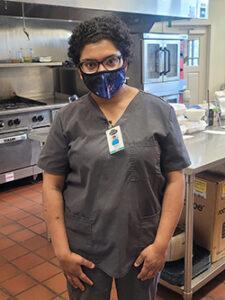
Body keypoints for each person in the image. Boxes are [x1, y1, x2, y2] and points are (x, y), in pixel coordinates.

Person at [38, 15, 191, 300]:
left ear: (126, 62)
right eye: (91, 64)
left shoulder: (160, 112)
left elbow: (175, 179)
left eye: (111, 60)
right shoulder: (67, 119)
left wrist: (160, 245)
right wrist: (61, 251)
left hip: (142, 243)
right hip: (84, 247)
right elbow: (51, 185)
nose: (102, 71)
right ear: (80, 70)